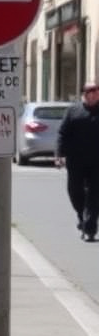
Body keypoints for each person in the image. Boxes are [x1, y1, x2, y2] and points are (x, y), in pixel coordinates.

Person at [55, 82, 99, 241]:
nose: (91, 94)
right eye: (88, 91)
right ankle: (82, 215)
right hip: (76, 161)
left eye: (94, 90)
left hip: (96, 162)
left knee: (95, 195)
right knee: (75, 192)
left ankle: (90, 228)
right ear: (83, 94)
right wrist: (59, 154)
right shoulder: (73, 111)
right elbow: (62, 134)